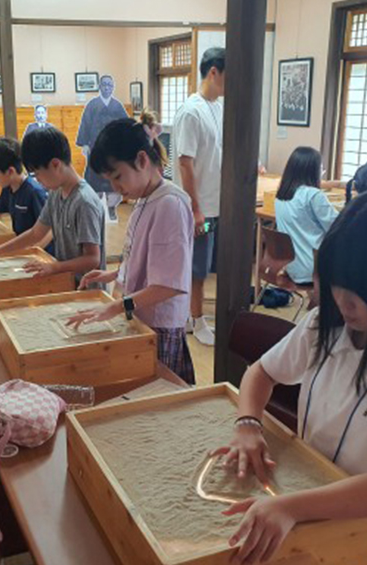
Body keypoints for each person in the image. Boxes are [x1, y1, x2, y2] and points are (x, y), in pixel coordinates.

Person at [214, 190, 367, 565]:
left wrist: (291, 508)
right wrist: (248, 424)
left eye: (358, 292)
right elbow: (260, 374)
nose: (341, 301)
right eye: (336, 284)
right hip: (313, 484)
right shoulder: (324, 326)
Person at [65, 111, 195, 384]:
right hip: (140, 317)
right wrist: (113, 274)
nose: (115, 187)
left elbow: (170, 283)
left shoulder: (170, 204)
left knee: (158, 401)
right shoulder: (144, 198)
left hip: (159, 325)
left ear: (142, 160)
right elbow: (144, 259)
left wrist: (114, 307)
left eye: (118, 177)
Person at [0, 127, 105, 285]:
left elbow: (92, 259)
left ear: (55, 164)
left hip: (88, 291)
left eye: (37, 173)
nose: (38, 180)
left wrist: (54, 267)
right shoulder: (56, 192)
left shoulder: (84, 202)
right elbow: (36, 233)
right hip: (66, 282)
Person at [172, 47, 225, 346]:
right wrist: (195, 209)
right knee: (197, 267)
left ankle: (193, 317)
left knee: (204, 264)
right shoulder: (191, 111)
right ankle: (196, 319)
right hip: (197, 208)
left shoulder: (216, 106)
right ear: (214, 72)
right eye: (228, 76)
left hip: (214, 205)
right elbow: (185, 163)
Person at [274, 147, 339, 284]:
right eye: (321, 168)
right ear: (313, 170)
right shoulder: (313, 195)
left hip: (290, 266)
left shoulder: (281, 195)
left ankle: (316, 302)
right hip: (314, 268)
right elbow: (337, 228)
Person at [76, 74, 128, 199]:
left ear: (113, 87)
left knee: (113, 172)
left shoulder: (118, 106)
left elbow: (125, 126)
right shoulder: (92, 105)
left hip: (113, 148)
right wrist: (84, 145)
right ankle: (95, 202)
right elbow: (85, 124)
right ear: (99, 86)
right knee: (95, 173)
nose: (107, 88)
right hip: (95, 146)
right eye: (104, 85)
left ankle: (111, 206)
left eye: (109, 85)